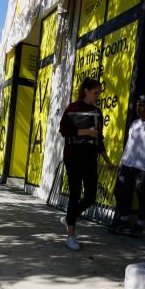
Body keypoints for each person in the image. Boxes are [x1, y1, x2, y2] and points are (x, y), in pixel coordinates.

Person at [58, 78, 115, 251]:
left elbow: (99, 139)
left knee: (90, 196)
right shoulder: (72, 108)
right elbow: (64, 130)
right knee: (75, 193)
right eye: (95, 92)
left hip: (90, 158)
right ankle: (71, 236)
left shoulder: (97, 112)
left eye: (99, 93)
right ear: (86, 91)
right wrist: (86, 132)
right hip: (73, 157)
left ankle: (70, 216)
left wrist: (108, 161)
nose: (97, 96)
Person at [110, 94, 145, 236]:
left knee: (141, 194)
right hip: (128, 164)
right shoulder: (134, 123)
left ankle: (139, 225)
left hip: (144, 167)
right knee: (120, 191)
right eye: (137, 105)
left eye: (141, 105)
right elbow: (129, 145)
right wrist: (122, 163)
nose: (138, 108)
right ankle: (124, 220)